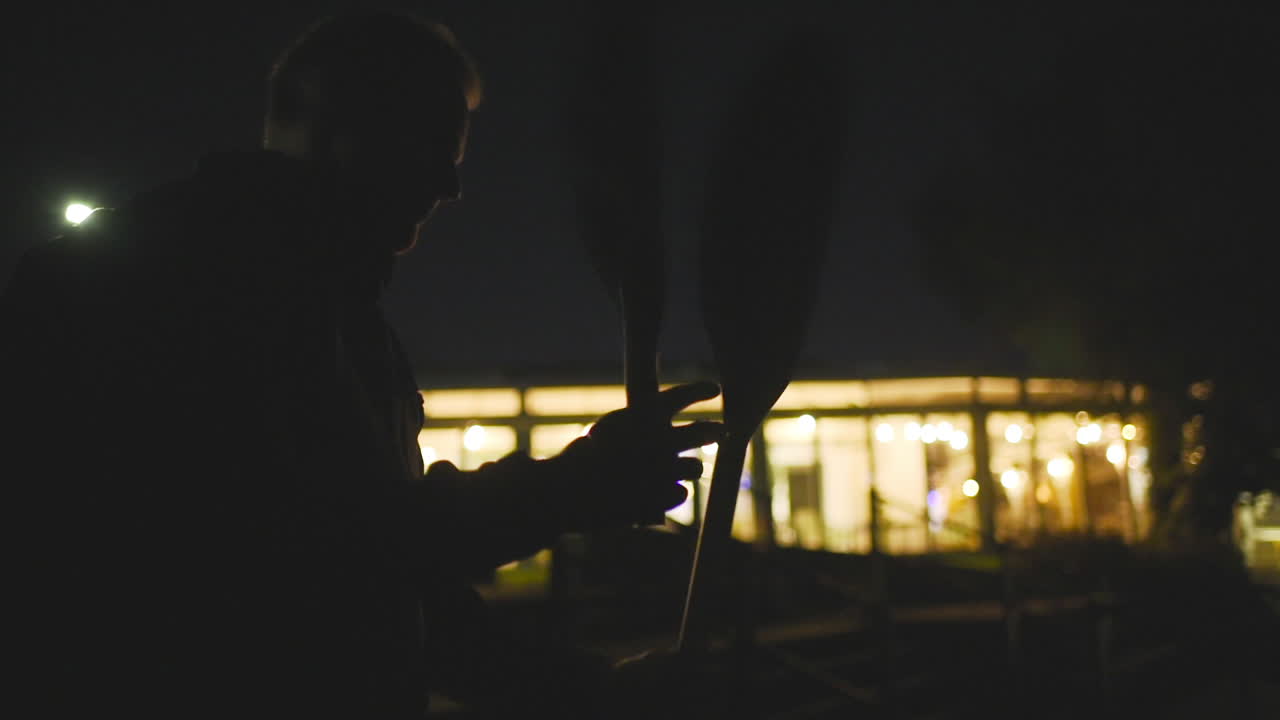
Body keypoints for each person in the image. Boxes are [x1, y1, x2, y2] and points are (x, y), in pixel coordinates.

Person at [1, 11, 720, 718]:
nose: (451, 186)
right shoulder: (162, 286)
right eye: (430, 145)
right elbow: (299, 556)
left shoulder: (331, 316)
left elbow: (404, 600)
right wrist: (569, 490)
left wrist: (597, 692)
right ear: (328, 127)